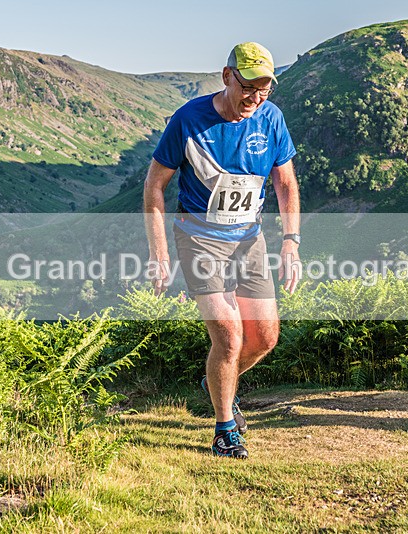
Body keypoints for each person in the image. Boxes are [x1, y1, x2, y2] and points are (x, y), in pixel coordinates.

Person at [143, 42, 302, 459]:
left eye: (264, 90)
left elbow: (285, 184)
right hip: (198, 237)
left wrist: (291, 241)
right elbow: (154, 185)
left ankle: (216, 384)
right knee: (229, 337)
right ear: (227, 76)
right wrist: (159, 253)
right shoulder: (189, 120)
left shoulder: (271, 118)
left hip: (249, 239)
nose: (255, 98)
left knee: (265, 338)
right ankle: (224, 428)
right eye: (249, 87)